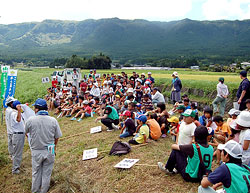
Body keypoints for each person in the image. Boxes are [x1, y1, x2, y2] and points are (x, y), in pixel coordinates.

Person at [25, 98, 62, 193]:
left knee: (36, 172)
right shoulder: (53, 120)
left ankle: (35, 191)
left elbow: (26, 132)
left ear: (37, 109)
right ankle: (44, 191)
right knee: (47, 172)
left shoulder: (31, 120)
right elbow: (57, 137)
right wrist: (54, 147)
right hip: (50, 148)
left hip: (36, 149)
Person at [9, 100, 25, 174]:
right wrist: (19, 110)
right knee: (17, 153)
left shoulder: (17, 113)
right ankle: (15, 169)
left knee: (18, 152)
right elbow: (18, 120)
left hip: (20, 134)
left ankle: (17, 167)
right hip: (17, 134)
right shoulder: (14, 114)